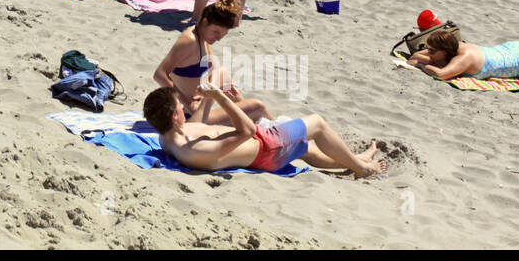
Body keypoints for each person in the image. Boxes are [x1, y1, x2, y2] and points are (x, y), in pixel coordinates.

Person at [141, 84, 385, 177]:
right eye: (180, 107)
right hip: (267, 147)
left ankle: (354, 162)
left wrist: (210, 96)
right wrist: (220, 99)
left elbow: (202, 123)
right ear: (174, 116)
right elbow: (247, 131)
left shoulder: (168, 136)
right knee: (318, 124)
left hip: (265, 148)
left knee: (304, 148)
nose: (185, 108)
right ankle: (362, 168)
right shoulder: (194, 150)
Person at [152, 0, 274, 124]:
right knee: (258, 107)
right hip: (191, 115)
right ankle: (275, 131)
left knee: (223, 74)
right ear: (205, 22)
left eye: (223, 34)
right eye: (216, 32)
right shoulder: (189, 40)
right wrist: (188, 105)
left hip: (203, 107)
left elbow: (213, 69)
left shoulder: (202, 38)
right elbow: (159, 75)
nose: (219, 38)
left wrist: (226, 90)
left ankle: (264, 127)